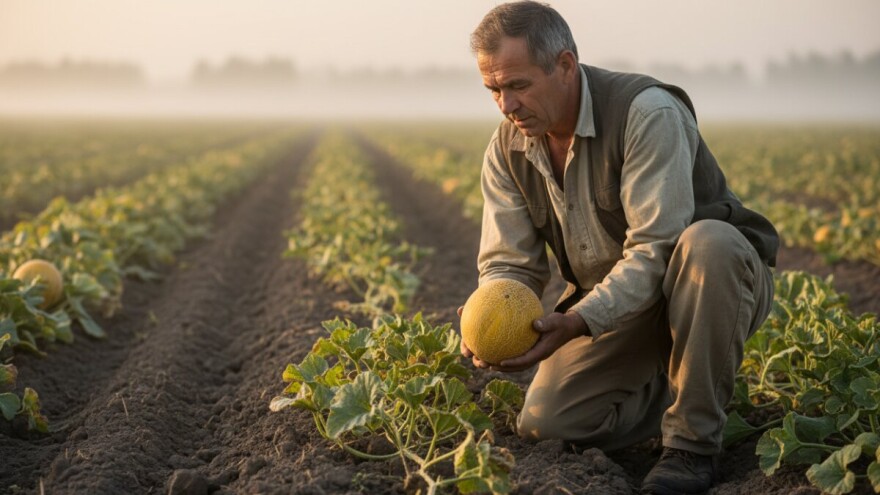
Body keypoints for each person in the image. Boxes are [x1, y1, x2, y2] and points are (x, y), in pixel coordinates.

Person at [460, 2, 779, 494]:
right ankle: (688, 387)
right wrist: (487, 315)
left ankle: (692, 447)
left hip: (706, 283)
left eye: (518, 85)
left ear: (565, 66)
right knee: (552, 424)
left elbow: (658, 247)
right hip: (618, 306)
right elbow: (509, 264)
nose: (506, 104)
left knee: (707, 242)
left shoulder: (646, 112)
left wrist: (579, 321)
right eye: (493, 89)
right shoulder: (506, 149)